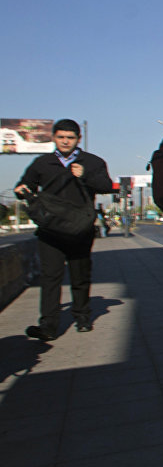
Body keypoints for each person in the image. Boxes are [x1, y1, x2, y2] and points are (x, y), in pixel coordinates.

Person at [15, 119, 114, 340]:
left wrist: (85, 175)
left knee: (80, 277)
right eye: (61, 137)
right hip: (50, 230)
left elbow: (107, 186)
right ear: (54, 138)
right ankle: (48, 326)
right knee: (50, 278)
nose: (65, 141)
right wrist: (21, 191)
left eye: (70, 138)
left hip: (79, 229)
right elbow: (26, 184)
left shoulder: (92, 162)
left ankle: (83, 318)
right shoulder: (42, 163)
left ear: (78, 139)